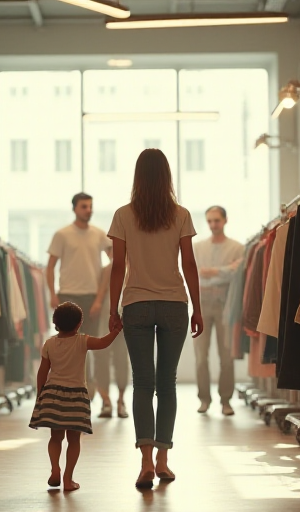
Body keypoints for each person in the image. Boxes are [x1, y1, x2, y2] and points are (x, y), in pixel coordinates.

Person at [107, 149, 203, 489]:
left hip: (136, 305)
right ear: (167, 177)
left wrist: (112, 309)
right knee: (167, 384)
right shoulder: (180, 214)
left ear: (137, 177)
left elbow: (118, 266)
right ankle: (163, 459)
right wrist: (197, 307)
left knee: (142, 384)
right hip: (174, 304)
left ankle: (145, 460)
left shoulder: (122, 215)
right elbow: (189, 265)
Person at [29, 302, 123, 492]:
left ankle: (55, 469)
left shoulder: (49, 344)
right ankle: (68, 478)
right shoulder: (82, 341)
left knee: (55, 438)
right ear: (79, 323)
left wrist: (41, 394)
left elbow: (42, 372)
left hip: (53, 394)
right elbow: (103, 342)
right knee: (74, 440)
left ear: (55, 323)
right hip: (76, 396)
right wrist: (115, 331)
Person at [46, 193, 115, 411]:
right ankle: (71, 399)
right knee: (69, 350)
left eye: (90, 206)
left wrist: (100, 297)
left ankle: (104, 399)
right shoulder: (62, 234)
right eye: (84, 206)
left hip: (93, 298)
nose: (88, 210)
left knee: (98, 349)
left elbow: (115, 262)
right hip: (68, 296)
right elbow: (50, 267)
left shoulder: (99, 234)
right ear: (75, 208)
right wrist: (52, 294)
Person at [192, 206, 244, 416]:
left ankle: (226, 400)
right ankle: (204, 399)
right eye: (210, 221)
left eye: (217, 220)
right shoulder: (197, 247)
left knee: (226, 355)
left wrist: (212, 272)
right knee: (201, 356)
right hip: (202, 303)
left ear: (225, 220)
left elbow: (236, 274)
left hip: (226, 304)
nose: (213, 224)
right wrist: (224, 271)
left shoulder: (238, 248)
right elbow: (195, 274)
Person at [91, 260, 130, 418]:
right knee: (103, 358)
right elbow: (100, 293)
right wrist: (98, 303)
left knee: (121, 358)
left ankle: (120, 400)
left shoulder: (134, 266)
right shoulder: (107, 269)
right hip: (107, 317)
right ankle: (106, 400)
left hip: (126, 316)